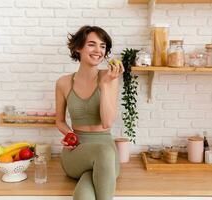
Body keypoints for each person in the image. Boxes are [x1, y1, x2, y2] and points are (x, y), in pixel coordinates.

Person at [55, 25, 124, 200]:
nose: (98, 50)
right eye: (92, 44)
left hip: (106, 154)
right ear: (78, 47)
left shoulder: (110, 78)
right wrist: (70, 136)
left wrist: (104, 85)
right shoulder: (63, 83)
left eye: (102, 46)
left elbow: (107, 123)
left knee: (84, 195)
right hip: (77, 151)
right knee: (103, 153)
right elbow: (60, 121)